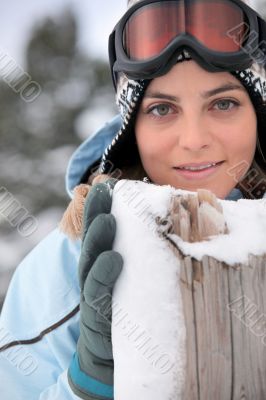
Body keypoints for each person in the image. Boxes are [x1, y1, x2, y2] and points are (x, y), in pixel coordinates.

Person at [1, 0, 266, 399]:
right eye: (162, 108)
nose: (193, 140)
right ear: (131, 129)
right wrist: (84, 388)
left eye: (223, 103)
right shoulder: (66, 267)